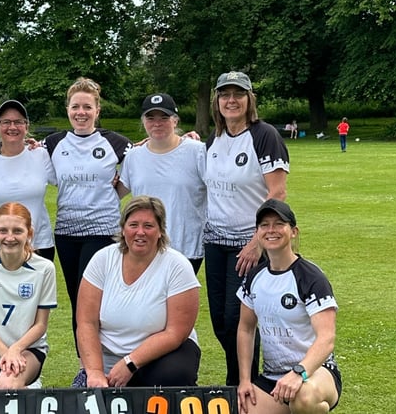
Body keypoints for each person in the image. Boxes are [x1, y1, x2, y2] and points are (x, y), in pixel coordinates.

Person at [42, 77, 133, 387]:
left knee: (92, 301)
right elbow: (24, 159)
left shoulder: (116, 142)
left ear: (98, 110)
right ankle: (88, 367)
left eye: (87, 107)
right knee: (78, 300)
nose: (81, 112)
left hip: (103, 232)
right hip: (66, 233)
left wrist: (115, 193)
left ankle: (105, 365)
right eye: (75, 106)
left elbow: (139, 167)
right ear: (68, 109)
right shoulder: (54, 143)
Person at [203, 71, 290, 386]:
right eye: (224, 94)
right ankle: (244, 381)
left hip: (248, 244)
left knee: (237, 319)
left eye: (238, 94)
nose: (231, 100)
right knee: (219, 322)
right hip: (214, 241)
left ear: (249, 99)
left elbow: (277, 193)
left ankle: (242, 385)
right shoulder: (213, 139)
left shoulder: (264, 135)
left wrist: (257, 244)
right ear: (217, 101)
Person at [76, 195, 201, 388]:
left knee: (173, 375)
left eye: (148, 226)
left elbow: (176, 333)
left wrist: (130, 363)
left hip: (160, 356)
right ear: (123, 228)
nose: (140, 232)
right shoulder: (102, 260)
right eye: (133, 225)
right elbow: (86, 322)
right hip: (109, 356)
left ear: (160, 231)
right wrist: (95, 373)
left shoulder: (177, 266)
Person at [237, 199, 341, 413]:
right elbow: (245, 329)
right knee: (244, 407)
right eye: (264, 225)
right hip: (273, 378)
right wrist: (245, 380)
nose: (271, 230)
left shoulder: (311, 277)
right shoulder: (254, 276)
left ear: (293, 231)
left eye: (279, 224)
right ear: (257, 232)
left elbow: (327, 338)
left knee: (303, 398)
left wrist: (298, 373)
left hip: (315, 372)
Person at [0, 202, 57, 390]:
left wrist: (16, 350)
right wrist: (6, 353)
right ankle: (31, 392)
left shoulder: (44, 268)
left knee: (7, 385)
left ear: (29, 233)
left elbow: (40, 325)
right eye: (3, 231)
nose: (10, 237)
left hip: (27, 350)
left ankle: (27, 381)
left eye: (17, 231)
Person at [117, 92, 207, 273]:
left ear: (175, 121)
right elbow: (115, 194)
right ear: (143, 121)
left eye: (164, 117)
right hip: (146, 245)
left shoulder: (197, 151)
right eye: (150, 118)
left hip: (185, 246)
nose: (157, 123)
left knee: (178, 300)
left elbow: (218, 190)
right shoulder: (134, 156)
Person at [0, 100, 57, 261]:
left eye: (18, 122)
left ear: (26, 127)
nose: (12, 127)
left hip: (38, 245)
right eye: (6, 122)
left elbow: (68, 180)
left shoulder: (40, 155)